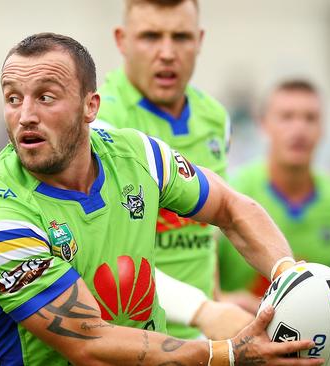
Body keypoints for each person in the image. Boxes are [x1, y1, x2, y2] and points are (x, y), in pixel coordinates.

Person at [0, 32, 324, 365]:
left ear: (90, 106)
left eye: (46, 97)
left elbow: (231, 207)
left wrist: (290, 277)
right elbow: (91, 344)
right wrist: (227, 354)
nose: (25, 116)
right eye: (13, 98)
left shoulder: (139, 157)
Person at [91, 0, 240, 341]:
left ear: (200, 39)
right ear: (121, 40)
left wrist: (217, 301)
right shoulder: (101, 125)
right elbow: (103, 255)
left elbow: (207, 235)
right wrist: (201, 310)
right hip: (133, 345)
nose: (167, 52)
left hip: (203, 339)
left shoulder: (215, 118)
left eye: (182, 37)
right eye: (150, 37)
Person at [217, 79, 330, 365]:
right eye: (287, 117)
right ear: (263, 124)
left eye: (310, 118)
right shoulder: (230, 195)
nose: (299, 129)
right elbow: (200, 280)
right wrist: (222, 300)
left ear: (323, 128)